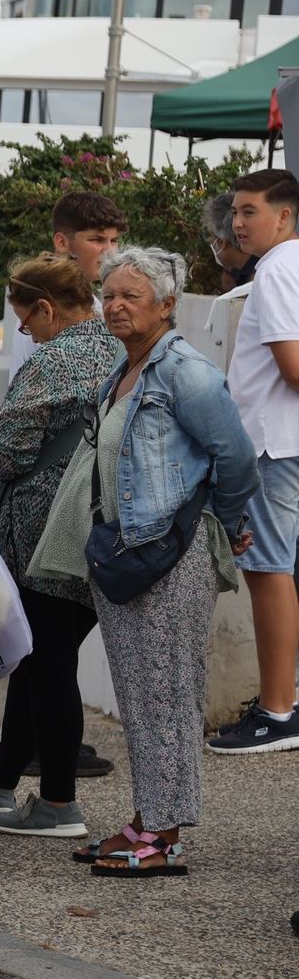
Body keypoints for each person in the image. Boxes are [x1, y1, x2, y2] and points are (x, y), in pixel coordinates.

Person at [32, 247, 255, 875]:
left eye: (131, 295)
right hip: (127, 553)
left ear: (167, 304)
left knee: (166, 695)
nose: (115, 306)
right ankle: (147, 819)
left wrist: (222, 523)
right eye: (109, 294)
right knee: (142, 695)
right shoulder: (124, 369)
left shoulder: (185, 372)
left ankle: (163, 836)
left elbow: (236, 458)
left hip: (168, 555)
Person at [0, 253, 123, 838]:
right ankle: (2, 786)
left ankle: (58, 803)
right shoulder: (120, 350)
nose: (26, 332)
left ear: (48, 308)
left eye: (26, 321)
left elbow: (10, 456)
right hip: (99, 531)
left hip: (43, 538)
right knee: (37, 659)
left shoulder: (50, 363)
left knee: (48, 668)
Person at [213, 168, 299, 754]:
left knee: (268, 574)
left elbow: (291, 367)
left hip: (270, 444)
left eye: (250, 212)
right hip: (282, 441)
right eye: (236, 212)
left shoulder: (277, 270)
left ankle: (277, 711)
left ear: (284, 215)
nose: (237, 223)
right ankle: (285, 701)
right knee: (280, 572)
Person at [4, 192, 125, 382]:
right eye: (97, 240)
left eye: (114, 240)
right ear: (61, 242)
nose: (109, 250)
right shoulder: (41, 309)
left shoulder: (94, 304)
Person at [203, 192, 260, 294]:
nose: (211, 242)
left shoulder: (258, 283)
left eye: (211, 236)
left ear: (221, 242)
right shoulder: (251, 271)